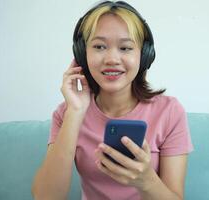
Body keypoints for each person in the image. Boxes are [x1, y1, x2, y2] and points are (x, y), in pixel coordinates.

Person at [32, 1, 193, 199]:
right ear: (83, 55)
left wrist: (146, 180)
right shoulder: (66, 114)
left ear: (144, 56)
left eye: (125, 48)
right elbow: (46, 197)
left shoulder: (170, 112)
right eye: (99, 46)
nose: (112, 59)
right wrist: (75, 112)